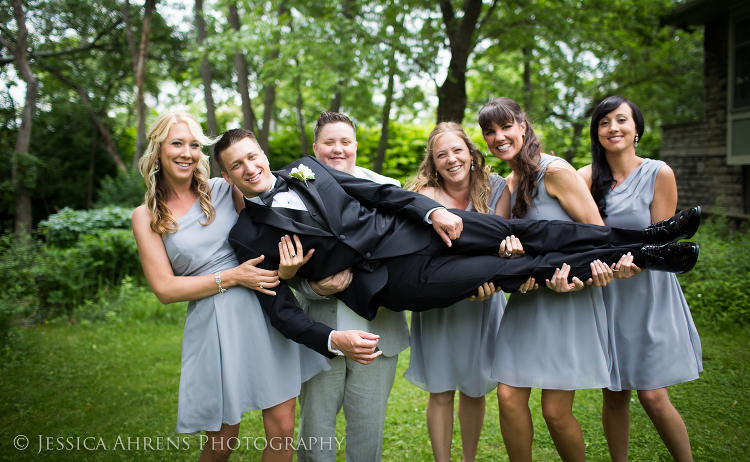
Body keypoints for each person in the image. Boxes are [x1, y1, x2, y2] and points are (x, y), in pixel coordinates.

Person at [215, 127, 699, 360]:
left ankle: (648, 239)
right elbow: (279, 310)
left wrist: (434, 210)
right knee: (511, 269)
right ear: (228, 174)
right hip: (396, 281)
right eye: (238, 165)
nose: (251, 168)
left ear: (262, 153)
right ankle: (649, 258)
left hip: (425, 231)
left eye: (253, 156)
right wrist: (329, 338)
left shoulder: (309, 168)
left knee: (532, 233)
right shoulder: (247, 237)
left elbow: (384, 194)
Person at [130, 113, 332, 462]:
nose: (187, 152)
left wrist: (286, 271)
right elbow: (164, 289)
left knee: (283, 428)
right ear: (158, 150)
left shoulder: (224, 189)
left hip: (266, 308)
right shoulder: (146, 215)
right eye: (177, 143)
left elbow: (264, 243)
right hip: (215, 324)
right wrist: (233, 277)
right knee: (223, 438)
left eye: (194, 145)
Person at [482, 96, 630, 462]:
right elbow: (497, 244)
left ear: (522, 125)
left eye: (505, 127)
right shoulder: (506, 184)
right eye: (489, 131)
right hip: (528, 297)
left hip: (569, 298)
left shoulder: (555, 171)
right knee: (508, 396)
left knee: (555, 412)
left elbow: (596, 236)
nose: (499, 137)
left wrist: (577, 278)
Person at [578, 96, 702, 462]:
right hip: (608, 293)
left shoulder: (658, 172)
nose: (613, 128)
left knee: (652, 395)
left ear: (636, 129)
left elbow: (658, 238)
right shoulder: (586, 178)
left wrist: (640, 262)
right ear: (596, 132)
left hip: (648, 289)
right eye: (604, 122)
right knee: (613, 392)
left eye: (621, 120)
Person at [292, 111, 410, 462]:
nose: (338, 149)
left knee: (367, 433)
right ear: (315, 149)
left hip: (378, 334)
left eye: (345, 142)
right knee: (315, 435)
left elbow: (404, 259)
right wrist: (316, 289)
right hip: (319, 333)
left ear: (356, 145)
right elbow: (287, 265)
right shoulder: (295, 193)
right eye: (329, 143)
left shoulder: (386, 188)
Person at [404, 122, 512, 462]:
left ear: (471, 153)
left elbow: (504, 244)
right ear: (433, 163)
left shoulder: (497, 188)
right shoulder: (424, 195)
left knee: (474, 388)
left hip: (483, 300)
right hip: (439, 304)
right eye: (441, 154)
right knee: (440, 390)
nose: (451, 159)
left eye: (457, 150)